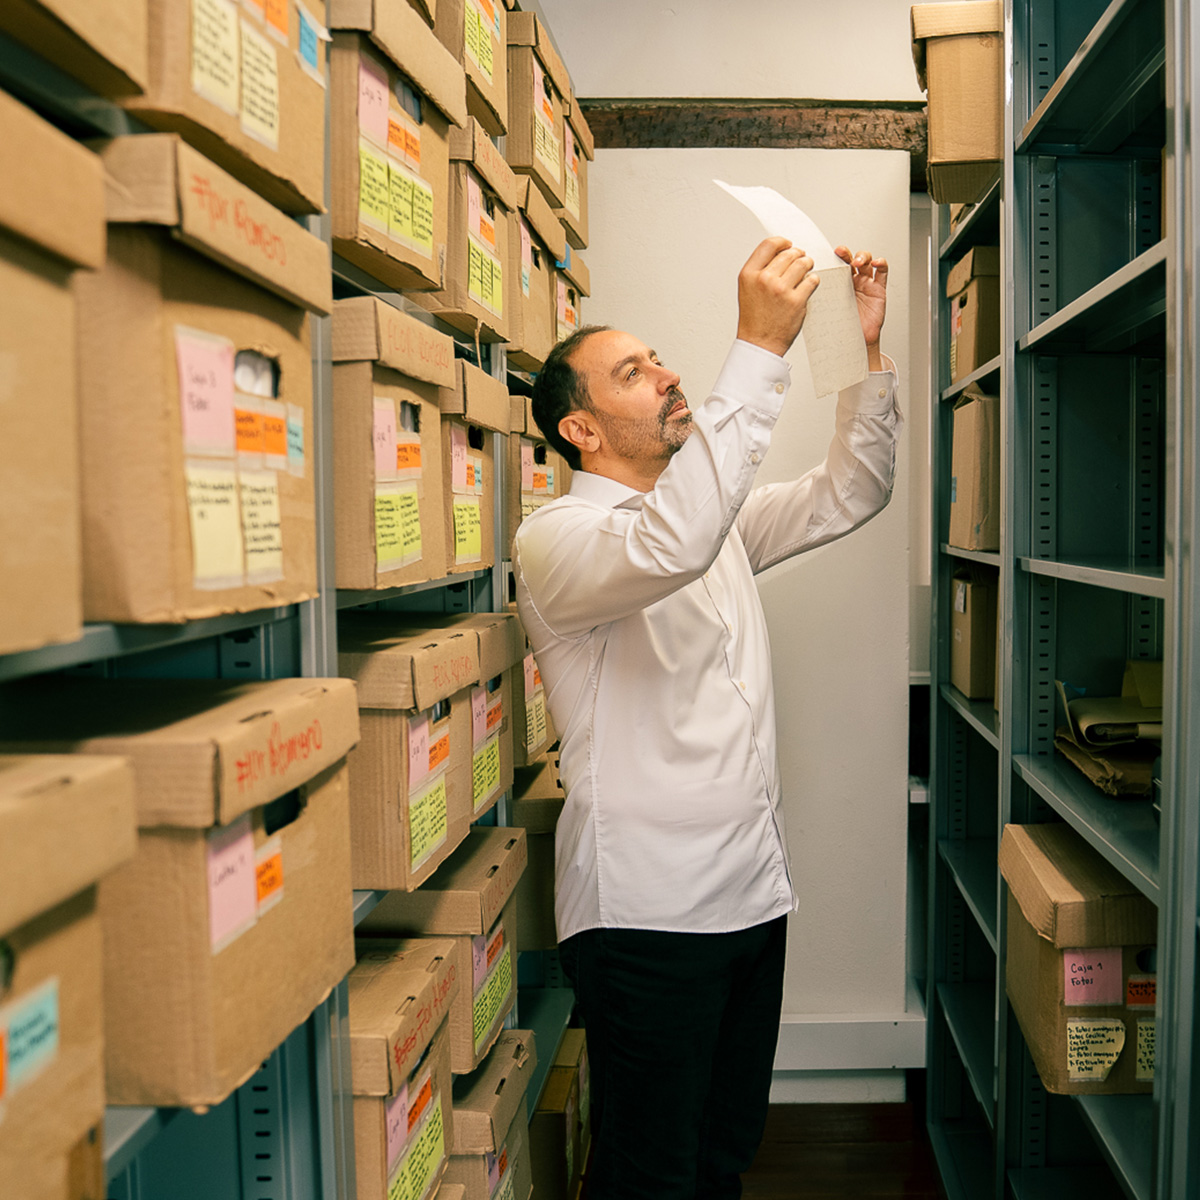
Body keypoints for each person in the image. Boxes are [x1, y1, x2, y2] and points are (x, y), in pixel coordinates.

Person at [512, 236, 902, 1199]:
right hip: (646, 918)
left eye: (658, 359)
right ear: (581, 431)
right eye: (633, 373)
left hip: (750, 898)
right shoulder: (558, 540)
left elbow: (851, 491)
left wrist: (855, 353)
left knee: (723, 1154)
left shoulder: (707, 521)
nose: (667, 375)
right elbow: (672, 544)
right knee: (650, 1174)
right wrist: (756, 347)